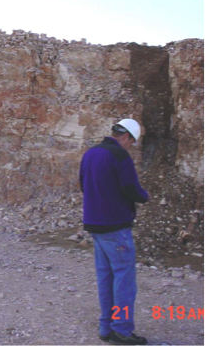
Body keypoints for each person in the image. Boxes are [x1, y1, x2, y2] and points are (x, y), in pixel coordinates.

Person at [79, 119, 151, 346]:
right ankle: (121, 330)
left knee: (106, 277)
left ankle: (106, 328)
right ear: (127, 137)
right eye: (132, 142)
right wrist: (145, 196)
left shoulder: (90, 154)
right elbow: (131, 189)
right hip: (115, 226)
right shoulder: (120, 156)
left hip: (95, 225)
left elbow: (83, 185)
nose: (131, 146)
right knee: (124, 281)